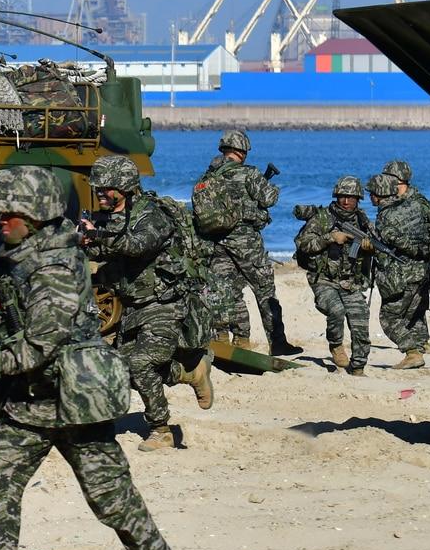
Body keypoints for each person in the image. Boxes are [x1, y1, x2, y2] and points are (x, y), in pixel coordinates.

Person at [0, 165, 194, 550]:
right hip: (33, 399)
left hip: (74, 398)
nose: (0, 223)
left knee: (110, 499)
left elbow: (44, 341)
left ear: (34, 215)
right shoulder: (22, 254)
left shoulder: (52, 265)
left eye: (8, 215)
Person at [82, 156, 212, 452]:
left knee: (140, 363)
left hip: (165, 305)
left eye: (106, 188)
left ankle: (161, 430)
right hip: (133, 307)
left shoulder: (152, 215)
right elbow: (108, 252)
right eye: (98, 188)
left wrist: (96, 235)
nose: (100, 193)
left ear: (123, 187)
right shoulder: (110, 218)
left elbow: (138, 245)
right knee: (122, 370)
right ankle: (190, 372)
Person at [195, 130, 302, 356]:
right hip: (246, 243)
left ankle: (225, 339)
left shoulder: (208, 176)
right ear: (242, 151)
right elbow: (269, 198)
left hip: (216, 242)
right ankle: (277, 343)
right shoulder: (249, 174)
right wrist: (269, 187)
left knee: (225, 292)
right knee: (265, 291)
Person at [293, 176, 374, 375]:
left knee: (360, 318)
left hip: (350, 281)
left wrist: (369, 247)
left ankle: (358, 366)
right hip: (324, 279)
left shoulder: (362, 221)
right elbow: (303, 244)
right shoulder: (322, 218)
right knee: (336, 310)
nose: (346, 201)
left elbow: (375, 243)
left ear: (358, 199)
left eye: (351, 197)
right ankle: (336, 345)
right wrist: (330, 238)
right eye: (342, 197)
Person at [367, 173, 430, 370]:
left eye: (371, 193)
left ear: (378, 194)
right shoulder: (412, 206)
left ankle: (412, 353)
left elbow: (393, 242)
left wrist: (373, 246)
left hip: (402, 275)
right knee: (415, 313)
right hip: (421, 272)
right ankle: (421, 347)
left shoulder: (385, 216)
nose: (370, 197)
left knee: (388, 318)